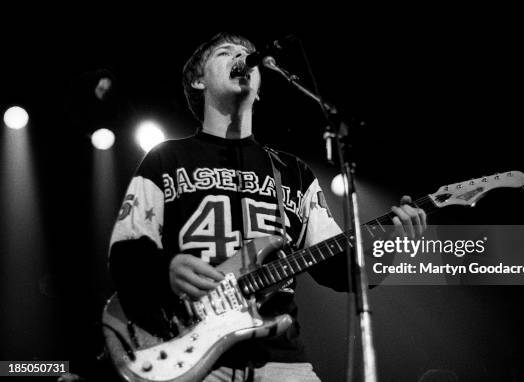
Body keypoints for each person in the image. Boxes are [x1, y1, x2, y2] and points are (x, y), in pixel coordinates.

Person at [108, 32, 427, 382]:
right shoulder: (165, 158)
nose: (241, 57)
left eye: (246, 54)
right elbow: (125, 252)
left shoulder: (292, 171)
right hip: (188, 348)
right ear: (198, 81)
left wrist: (391, 244)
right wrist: (164, 270)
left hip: (280, 358)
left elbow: (338, 268)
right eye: (225, 53)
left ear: (259, 87)